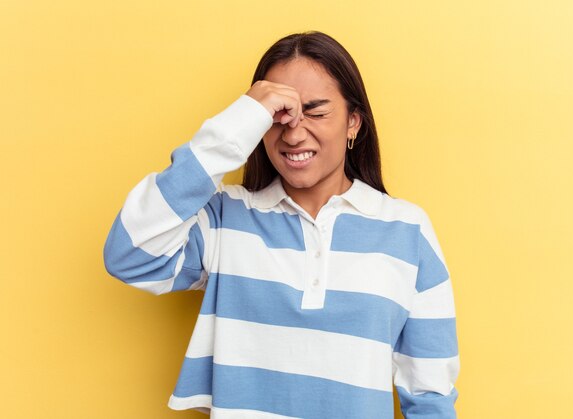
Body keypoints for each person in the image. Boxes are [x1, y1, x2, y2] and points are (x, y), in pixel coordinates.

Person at [104, 31, 459, 419]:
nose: (293, 133)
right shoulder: (226, 219)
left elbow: (430, 395)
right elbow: (129, 256)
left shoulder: (406, 229)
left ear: (353, 122)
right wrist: (238, 124)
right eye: (278, 116)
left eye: (317, 112)